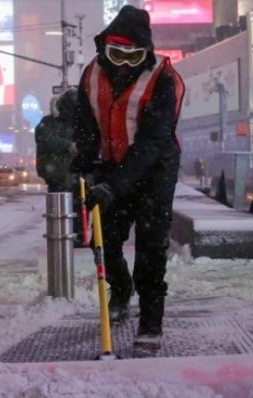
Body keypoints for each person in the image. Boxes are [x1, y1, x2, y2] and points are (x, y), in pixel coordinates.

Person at [71, 5, 185, 345]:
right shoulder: (91, 75)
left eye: (132, 57)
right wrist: (86, 163)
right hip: (111, 165)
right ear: (105, 47)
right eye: (116, 54)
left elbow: (153, 141)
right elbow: (86, 123)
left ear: (144, 54)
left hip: (155, 170)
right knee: (104, 240)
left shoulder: (164, 79)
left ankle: (150, 322)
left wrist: (114, 185)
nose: (122, 64)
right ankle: (120, 292)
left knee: (151, 247)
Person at [35, 88, 79, 193]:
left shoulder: (78, 122)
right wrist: (68, 145)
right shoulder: (49, 122)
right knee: (59, 205)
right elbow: (44, 139)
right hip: (58, 176)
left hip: (73, 177)